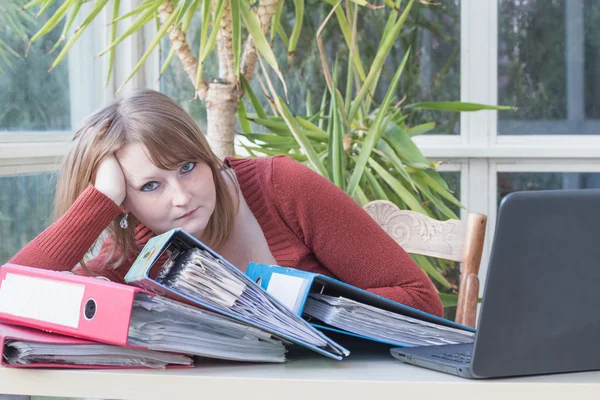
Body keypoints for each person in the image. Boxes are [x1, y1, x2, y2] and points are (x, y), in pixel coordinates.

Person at [8, 89, 444, 317]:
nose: (182, 197)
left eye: (187, 167)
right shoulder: (132, 252)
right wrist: (99, 200)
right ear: (125, 203)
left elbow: (421, 299)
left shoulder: (281, 187)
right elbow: (11, 296)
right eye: (150, 187)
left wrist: (290, 317)